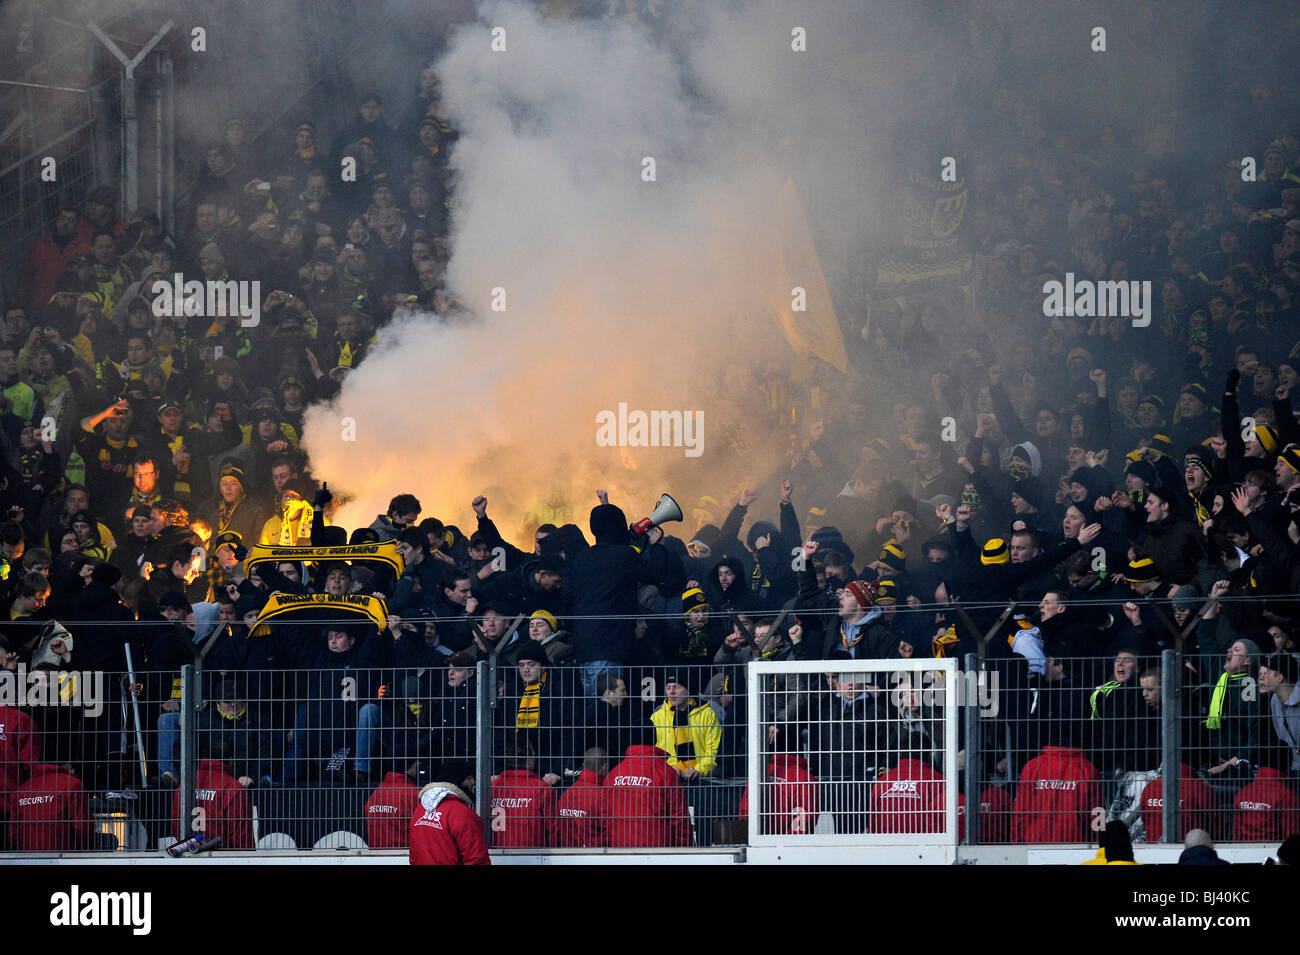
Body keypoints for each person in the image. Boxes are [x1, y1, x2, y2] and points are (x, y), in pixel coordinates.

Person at [605, 731, 693, 848]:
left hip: (618, 851)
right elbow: (679, 818)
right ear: (655, 741)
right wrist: (687, 851)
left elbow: (602, 819)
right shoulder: (666, 772)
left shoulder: (613, 775)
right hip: (658, 853)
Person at [489, 736, 557, 849]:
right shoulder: (542, 789)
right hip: (532, 855)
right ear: (529, 759)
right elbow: (554, 830)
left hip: (494, 853)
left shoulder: (492, 787)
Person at [410, 773, 490, 865]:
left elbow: (414, 855)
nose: (473, 782)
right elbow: (476, 858)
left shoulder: (420, 810)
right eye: (469, 778)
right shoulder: (461, 813)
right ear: (457, 780)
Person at [555, 747, 611, 848]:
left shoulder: (566, 794)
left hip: (565, 856)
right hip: (594, 856)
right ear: (604, 767)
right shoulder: (604, 796)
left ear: (582, 765)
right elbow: (608, 832)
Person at [365, 759, 424, 849]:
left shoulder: (377, 792)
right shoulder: (413, 793)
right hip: (404, 853)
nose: (417, 768)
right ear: (406, 767)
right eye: (416, 764)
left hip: (376, 853)